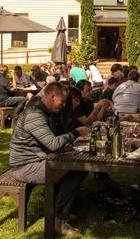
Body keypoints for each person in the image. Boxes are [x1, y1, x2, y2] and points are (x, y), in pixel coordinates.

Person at [9, 82, 90, 236]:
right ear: (52, 97)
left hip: (37, 160)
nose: (64, 105)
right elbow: (53, 144)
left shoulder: (47, 111)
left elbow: (53, 139)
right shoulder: (35, 114)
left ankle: (60, 211)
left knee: (79, 166)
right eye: (63, 101)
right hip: (25, 166)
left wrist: (66, 144)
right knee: (75, 170)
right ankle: (58, 220)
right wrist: (76, 133)